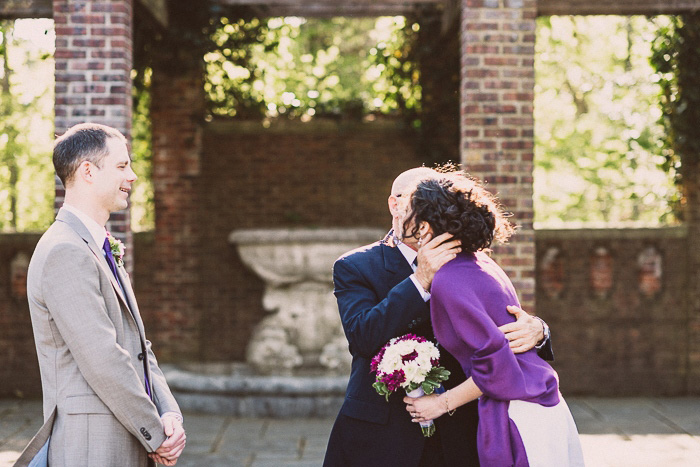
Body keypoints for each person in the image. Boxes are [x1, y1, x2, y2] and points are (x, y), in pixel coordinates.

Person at [322, 167, 553, 467]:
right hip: (384, 433)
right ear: (396, 205)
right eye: (416, 201)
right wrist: (420, 280)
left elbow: (500, 324)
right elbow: (363, 337)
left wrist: (538, 329)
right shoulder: (356, 266)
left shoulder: (469, 261)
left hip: (460, 429)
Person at [15, 123, 186, 467]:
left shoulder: (98, 246)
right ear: (88, 171)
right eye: (122, 166)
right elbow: (103, 356)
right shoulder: (64, 250)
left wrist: (170, 414)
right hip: (93, 445)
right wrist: (155, 432)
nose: (133, 176)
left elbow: (139, 347)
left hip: (124, 435)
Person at [403, 174, 584, 466]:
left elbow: (496, 367)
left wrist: (439, 403)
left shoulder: (449, 279)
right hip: (541, 405)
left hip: (519, 414)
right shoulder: (482, 262)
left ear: (424, 225)